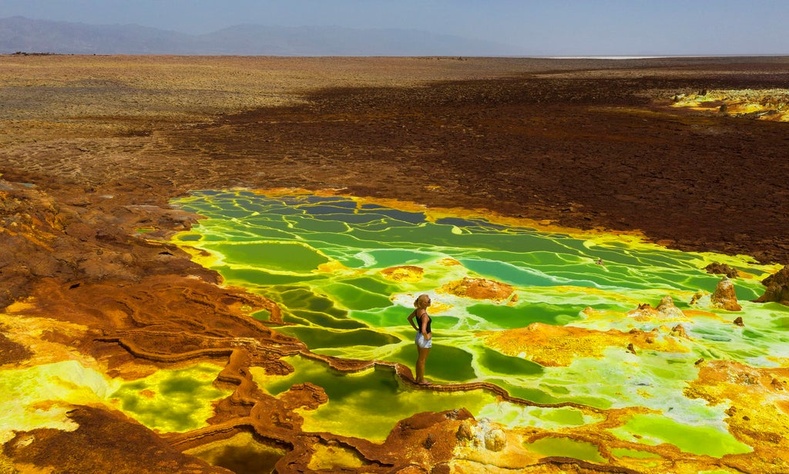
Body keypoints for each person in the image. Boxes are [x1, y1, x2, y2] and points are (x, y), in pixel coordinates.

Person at [407, 294, 432, 384]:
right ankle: (421, 380)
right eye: (428, 301)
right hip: (424, 339)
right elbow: (424, 330)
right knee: (422, 360)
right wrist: (427, 337)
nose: (430, 301)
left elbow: (409, 318)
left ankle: (418, 378)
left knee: (419, 359)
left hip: (418, 336)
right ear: (423, 303)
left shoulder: (417, 311)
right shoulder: (424, 315)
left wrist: (416, 328)